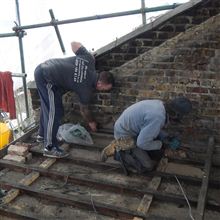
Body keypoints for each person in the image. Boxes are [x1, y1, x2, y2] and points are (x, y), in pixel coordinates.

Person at [34, 41, 114, 158]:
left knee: (51, 108)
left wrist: (89, 56)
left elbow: (74, 44)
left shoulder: (89, 60)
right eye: (105, 89)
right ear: (100, 83)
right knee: (53, 111)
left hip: (46, 69)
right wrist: (91, 122)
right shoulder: (85, 90)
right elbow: (84, 110)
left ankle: (41, 135)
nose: (103, 91)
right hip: (47, 77)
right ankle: (49, 148)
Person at [101, 97, 192, 174]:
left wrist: (165, 136)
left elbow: (148, 125)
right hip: (125, 136)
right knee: (148, 166)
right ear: (176, 114)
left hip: (132, 130)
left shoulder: (160, 106)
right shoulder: (158, 117)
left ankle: (129, 150)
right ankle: (117, 152)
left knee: (156, 152)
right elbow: (142, 143)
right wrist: (162, 144)